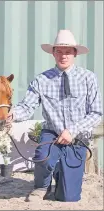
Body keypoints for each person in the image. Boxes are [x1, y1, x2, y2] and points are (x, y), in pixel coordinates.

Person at [6, 30, 103, 202]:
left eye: (67, 52)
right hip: (51, 132)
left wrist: (72, 131)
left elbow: (96, 113)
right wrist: (11, 115)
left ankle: (61, 174)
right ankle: (41, 186)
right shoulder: (41, 80)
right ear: (53, 53)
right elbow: (27, 106)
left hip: (78, 137)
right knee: (44, 156)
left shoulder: (88, 78)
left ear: (75, 53)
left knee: (68, 197)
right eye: (59, 51)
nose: (63, 55)